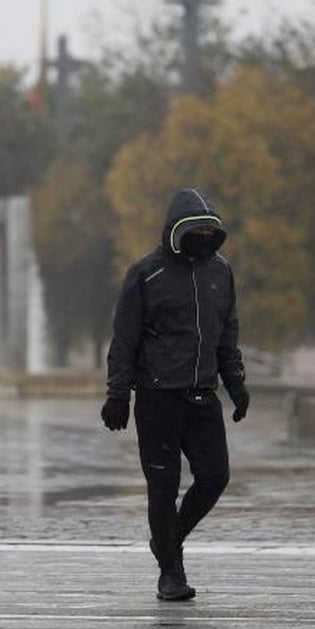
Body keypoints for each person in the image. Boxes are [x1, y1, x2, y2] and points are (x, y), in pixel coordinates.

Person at [101, 187, 249, 601]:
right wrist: (118, 395)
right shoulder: (145, 274)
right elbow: (124, 340)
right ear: (176, 231)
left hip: (203, 395)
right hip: (157, 397)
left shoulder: (221, 272)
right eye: (195, 230)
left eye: (209, 231)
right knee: (162, 486)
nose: (203, 237)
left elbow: (227, 336)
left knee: (215, 476)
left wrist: (236, 383)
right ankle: (171, 573)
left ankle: (167, 541)